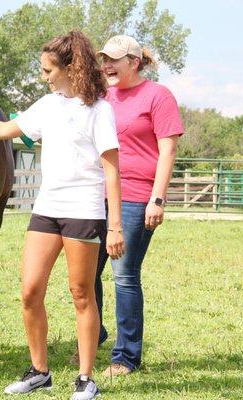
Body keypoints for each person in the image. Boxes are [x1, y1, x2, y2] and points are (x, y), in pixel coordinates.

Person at [0, 31, 125, 400]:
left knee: (81, 294)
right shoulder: (48, 106)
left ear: (70, 68)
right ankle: (39, 371)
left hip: (83, 210)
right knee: (30, 291)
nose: (44, 75)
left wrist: (114, 226)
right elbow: (3, 129)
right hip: (47, 209)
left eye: (48, 69)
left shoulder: (99, 110)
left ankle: (85, 379)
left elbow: (112, 169)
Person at [92, 35, 184, 377]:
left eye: (115, 59)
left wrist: (156, 199)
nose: (107, 66)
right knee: (86, 274)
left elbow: (168, 151)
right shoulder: (102, 97)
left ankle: (126, 356)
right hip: (96, 196)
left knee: (124, 276)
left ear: (134, 62)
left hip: (135, 196)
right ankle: (95, 333)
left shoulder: (158, 96)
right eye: (105, 60)